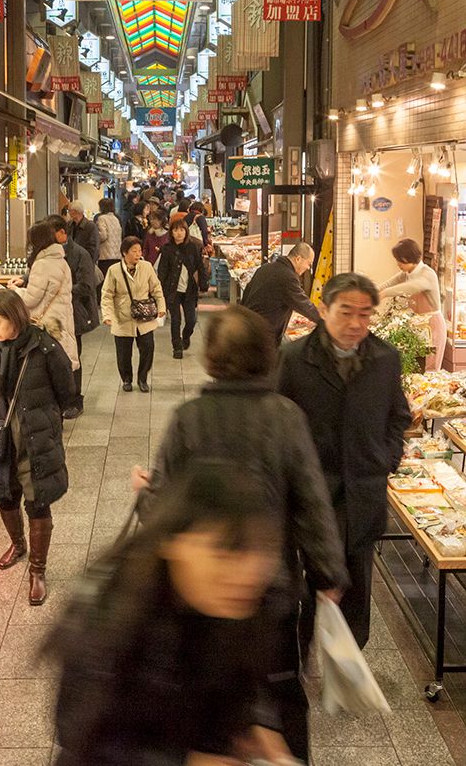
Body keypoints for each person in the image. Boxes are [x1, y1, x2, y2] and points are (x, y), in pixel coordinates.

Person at [133, 306, 348, 762]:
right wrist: (327, 571)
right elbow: (311, 500)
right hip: (269, 583)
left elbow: (160, 504)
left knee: (208, 687)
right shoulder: (285, 417)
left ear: (210, 358)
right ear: (266, 357)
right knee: (282, 689)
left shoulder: (189, 417)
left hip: (199, 589)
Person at [48, 465, 293, 766]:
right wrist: (186, 762)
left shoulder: (238, 608)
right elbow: (79, 734)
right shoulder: (111, 614)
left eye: (264, 547)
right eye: (226, 548)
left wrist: (257, 721)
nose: (251, 571)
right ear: (171, 540)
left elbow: (241, 680)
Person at [277, 273, 412, 648]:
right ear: (323, 309)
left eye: (365, 315)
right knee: (307, 584)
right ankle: (300, 658)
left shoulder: (385, 359)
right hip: (311, 491)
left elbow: (399, 414)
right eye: (346, 312)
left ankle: (348, 659)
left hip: (363, 488)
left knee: (357, 580)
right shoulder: (294, 358)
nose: (356, 324)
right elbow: (274, 417)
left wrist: (387, 456)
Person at [0, 288, 74, 606]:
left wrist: (46, 420)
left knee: (37, 501)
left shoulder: (44, 347)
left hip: (35, 436)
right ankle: (17, 545)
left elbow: (66, 390)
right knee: (5, 495)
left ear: (15, 318)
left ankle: (38, 571)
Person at [45, 214, 99, 419]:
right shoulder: (49, 255)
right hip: (56, 316)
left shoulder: (79, 254)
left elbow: (86, 286)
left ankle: (75, 400)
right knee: (58, 357)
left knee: (72, 357)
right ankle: (61, 398)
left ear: (62, 233)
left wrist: (59, 291)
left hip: (76, 314)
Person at [100, 236, 165, 393]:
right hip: (123, 317)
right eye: (134, 251)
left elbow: (156, 288)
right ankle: (126, 379)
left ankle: (142, 378)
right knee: (123, 353)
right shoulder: (114, 270)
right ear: (124, 253)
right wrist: (107, 315)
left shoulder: (147, 267)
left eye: (139, 251)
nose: (138, 254)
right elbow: (107, 294)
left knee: (148, 348)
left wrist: (161, 307)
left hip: (144, 316)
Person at [12, 221, 78, 371]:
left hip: (48, 324)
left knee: (49, 366)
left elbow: (30, 299)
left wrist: (16, 291)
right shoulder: (61, 261)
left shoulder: (42, 264)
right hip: (62, 318)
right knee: (63, 361)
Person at [379, 237, 448, 371]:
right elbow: (389, 283)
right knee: (415, 367)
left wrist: (385, 293)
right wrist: (373, 292)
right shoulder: (407, 273)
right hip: (418, 324)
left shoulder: (427, 274)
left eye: (400, 260)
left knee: (429, 369)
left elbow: (411, 287)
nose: (398, 264)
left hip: (431, 325)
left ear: (408, 258)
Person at [239, 241, 322, 344]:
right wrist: (324, 320)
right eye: (309, 263)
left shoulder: (264, 268)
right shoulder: (288, 277)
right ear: (298, 259)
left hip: (247, 327)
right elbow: (304, 304)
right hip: (262, 335)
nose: (308, 268)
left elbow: (246, 296)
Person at [155, 215, 205, 359]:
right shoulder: (167, 249)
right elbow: (163, 270)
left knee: (191, 319)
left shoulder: (193, 247)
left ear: (186, 231)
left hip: (189, 289)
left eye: (182, 230)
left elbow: (199, 266)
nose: (179, 233)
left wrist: (203, 282)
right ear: (171, 232)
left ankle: (186, 336)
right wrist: (160, 290)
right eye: (175, 230)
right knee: (175, 320)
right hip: (172, 290)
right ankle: (176, 346)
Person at [95, 198, 123, 286]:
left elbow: (103, 235)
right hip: (117, 255)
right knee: (114, 282)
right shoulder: (116, 218)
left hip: (105, 256)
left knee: (105, 283)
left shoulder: (101, 218)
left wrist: (95, 235)